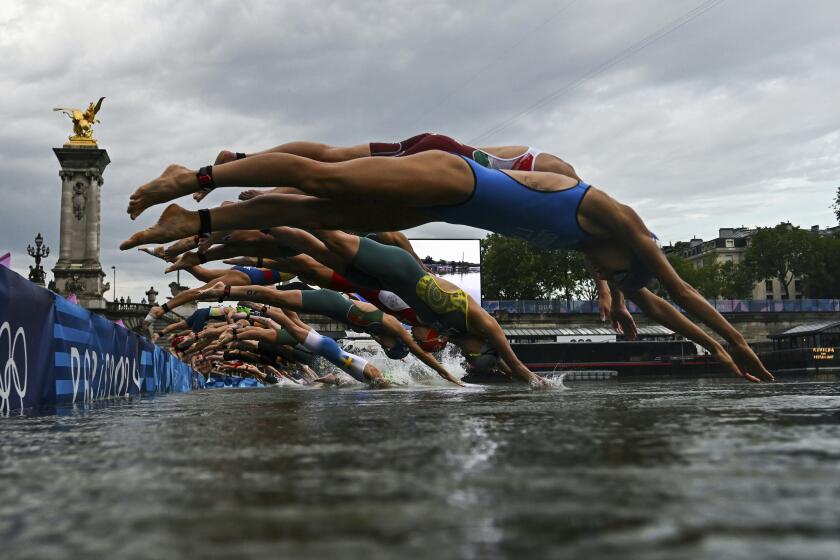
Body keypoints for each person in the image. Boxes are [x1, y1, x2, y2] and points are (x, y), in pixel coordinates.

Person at [122, 148, 773, 383]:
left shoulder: (609, 260)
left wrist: (713, 353)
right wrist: (738, 342)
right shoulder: (619, 221)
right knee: (324, 182)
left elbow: (663, 306)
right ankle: (197, 181)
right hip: (457, 176)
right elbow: (682, 290)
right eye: (622, 283)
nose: (625, 290)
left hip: (451, 203)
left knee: (321, 207)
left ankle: (199, 222)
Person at [198, 283, 463, 386]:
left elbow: (339, 375)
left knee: (290, 320)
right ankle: (239, 295)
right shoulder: (393, 329)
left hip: (334, 326)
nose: (384, 349)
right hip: (334, 307)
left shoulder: (384, 335)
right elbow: (417, 354)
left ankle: (250, 304)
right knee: (286, 315)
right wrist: (447, 375)